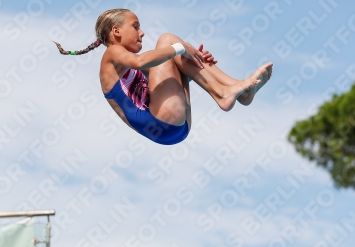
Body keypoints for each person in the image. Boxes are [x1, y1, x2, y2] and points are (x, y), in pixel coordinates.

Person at [54, 9, 273, 145]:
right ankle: (226, 92)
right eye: (136, 26)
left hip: (174, 128)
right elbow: (141, 61)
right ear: (116, 31)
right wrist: (181, 47)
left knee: (179, 57)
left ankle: (235, 89)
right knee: (168, 40)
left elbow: (166, 64)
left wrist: (194, 58)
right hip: (162, 121)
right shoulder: (112, 54)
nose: (142, 33)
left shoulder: (128, 69)